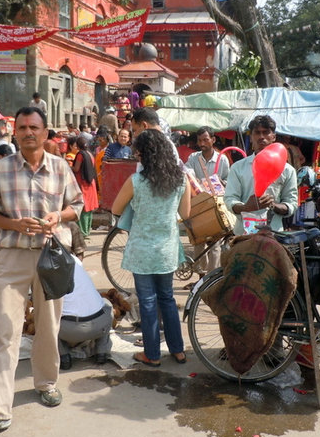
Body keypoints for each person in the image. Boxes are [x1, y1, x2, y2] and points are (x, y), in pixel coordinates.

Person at [0, 106, 83, 435]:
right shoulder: (2, 169)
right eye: (22, 127)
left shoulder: (61, 168)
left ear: (46, 133)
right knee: (5, 332)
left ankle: (46, 382)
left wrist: (57, 217)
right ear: (15, 133)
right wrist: (15, 224)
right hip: (11, 258)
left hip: (50, 257)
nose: (28, 132)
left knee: (48, 326)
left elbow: (77, 206)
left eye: (35, 127)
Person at [112, 129, 191, 368]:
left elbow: (116, 209)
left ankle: (152, 354)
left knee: (147, 301)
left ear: (143, 154)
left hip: (142, 250)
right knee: (167, 298)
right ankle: (178, 351)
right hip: (167, 249)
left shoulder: (135, 181)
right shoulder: (181, 179)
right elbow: (185, 214)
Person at [224, 115, 298, 234]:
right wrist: (246, 207)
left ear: (273, 137)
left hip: (273, 234)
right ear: (251, 137)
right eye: (257, 133)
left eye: (266, 132)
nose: (261, 137)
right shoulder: (238, 168)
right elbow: (229, 199)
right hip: (243, 235)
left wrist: (273, 205)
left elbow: (292, 204)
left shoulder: (287, 170)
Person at [185, 126, 231, 274]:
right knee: (199, 241)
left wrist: (219, 183)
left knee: (215, 243)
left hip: (215, 205)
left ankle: (212, 277)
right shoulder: (193, 158)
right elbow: (187, 174)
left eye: (205, 139)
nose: (202, 143)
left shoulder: (221, 159)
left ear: (213, 140)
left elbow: (227, 180)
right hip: (198, 204)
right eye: (200, 140)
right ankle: (200, 276)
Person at [58, 259, 112, 370]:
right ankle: (101, 352)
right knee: (106, 304)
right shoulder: (74, 259)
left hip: (70, 331)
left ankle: (64, 357)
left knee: (43, 318)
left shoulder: (40, 266)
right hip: (100, 324)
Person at [72, 135, 98, 238]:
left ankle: (83, 232)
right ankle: (87, 230)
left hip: (83, 184)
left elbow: (76, 169)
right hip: (91, 183)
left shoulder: (80, 155)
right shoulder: (90, 154)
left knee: (83, 208)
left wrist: (68, 165)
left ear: (78, 145)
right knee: (89, 209)